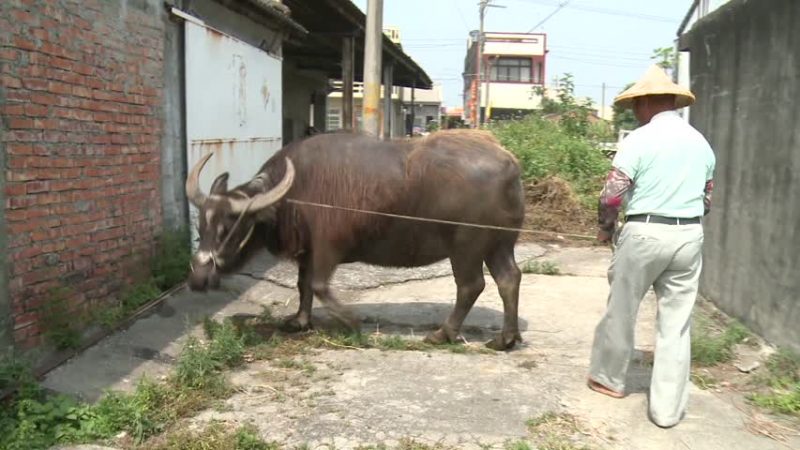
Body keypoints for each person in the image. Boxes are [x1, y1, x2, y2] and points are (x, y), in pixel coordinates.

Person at [587, 65, 716, 428]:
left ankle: (610, 379)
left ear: (644, 104)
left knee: (622, 309)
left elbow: (613, 195)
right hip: (689, 236)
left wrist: (604, 231)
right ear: (673, 102)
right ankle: (667, 410)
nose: (634, 112)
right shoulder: (701, 143)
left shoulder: (638, 140)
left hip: (645, 233)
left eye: (635, 106)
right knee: (675, 325)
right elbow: (707, 199)